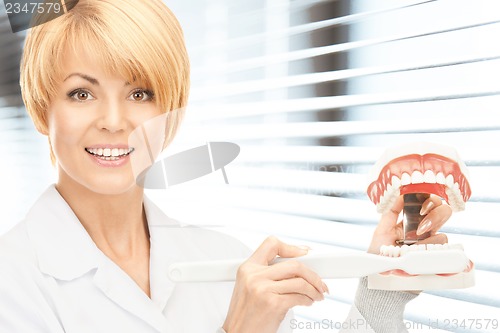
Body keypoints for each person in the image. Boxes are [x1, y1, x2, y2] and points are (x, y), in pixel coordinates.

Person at [0, 0, 452, 332]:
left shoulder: (224, 257)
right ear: (42, 109)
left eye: (140, 94)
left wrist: (378, 293)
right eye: (82, 93)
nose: (115, 122)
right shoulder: (13, 279)